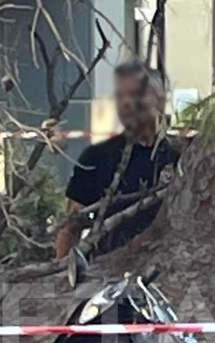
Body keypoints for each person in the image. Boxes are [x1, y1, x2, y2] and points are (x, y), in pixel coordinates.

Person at [55, 62, 181, 258]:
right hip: (108, 268)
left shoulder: (179, 157)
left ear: (159, 100)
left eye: (137, 95)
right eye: (122, 96)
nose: (128, 103)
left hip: (166, 268)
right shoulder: (96, 157)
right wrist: (62, 273)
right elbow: (72, 224)